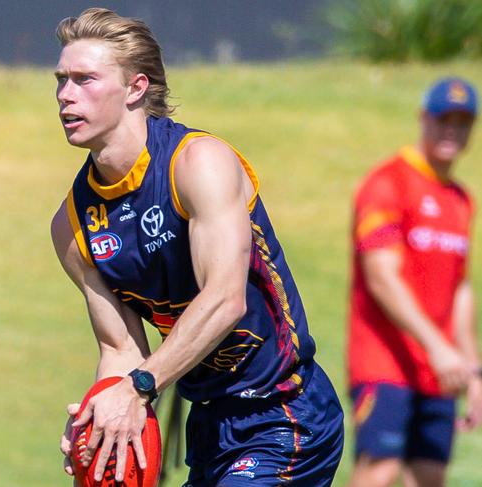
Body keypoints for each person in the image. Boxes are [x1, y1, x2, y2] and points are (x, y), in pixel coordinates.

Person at [51, 8, 343, 486]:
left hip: (285, 413)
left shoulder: (197, 164)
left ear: (135, 88)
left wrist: (139, 387)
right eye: (61, 80)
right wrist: (99, 422)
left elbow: (225, 299)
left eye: (85, 79)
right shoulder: (72, 224)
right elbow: (120, 346)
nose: (65, 94)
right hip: (207, 426)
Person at [346, 77, 481, 487]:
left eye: (463, 122)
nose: (452, 131)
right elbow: (381, 276)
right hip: (385, 361)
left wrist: (472, 368)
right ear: (423, 118)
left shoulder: (460, 199)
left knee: (429, 476)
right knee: (380, 469)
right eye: (443, 119)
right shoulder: (388, 183)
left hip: (439, 369)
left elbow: (459, 286)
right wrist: (438, 346)